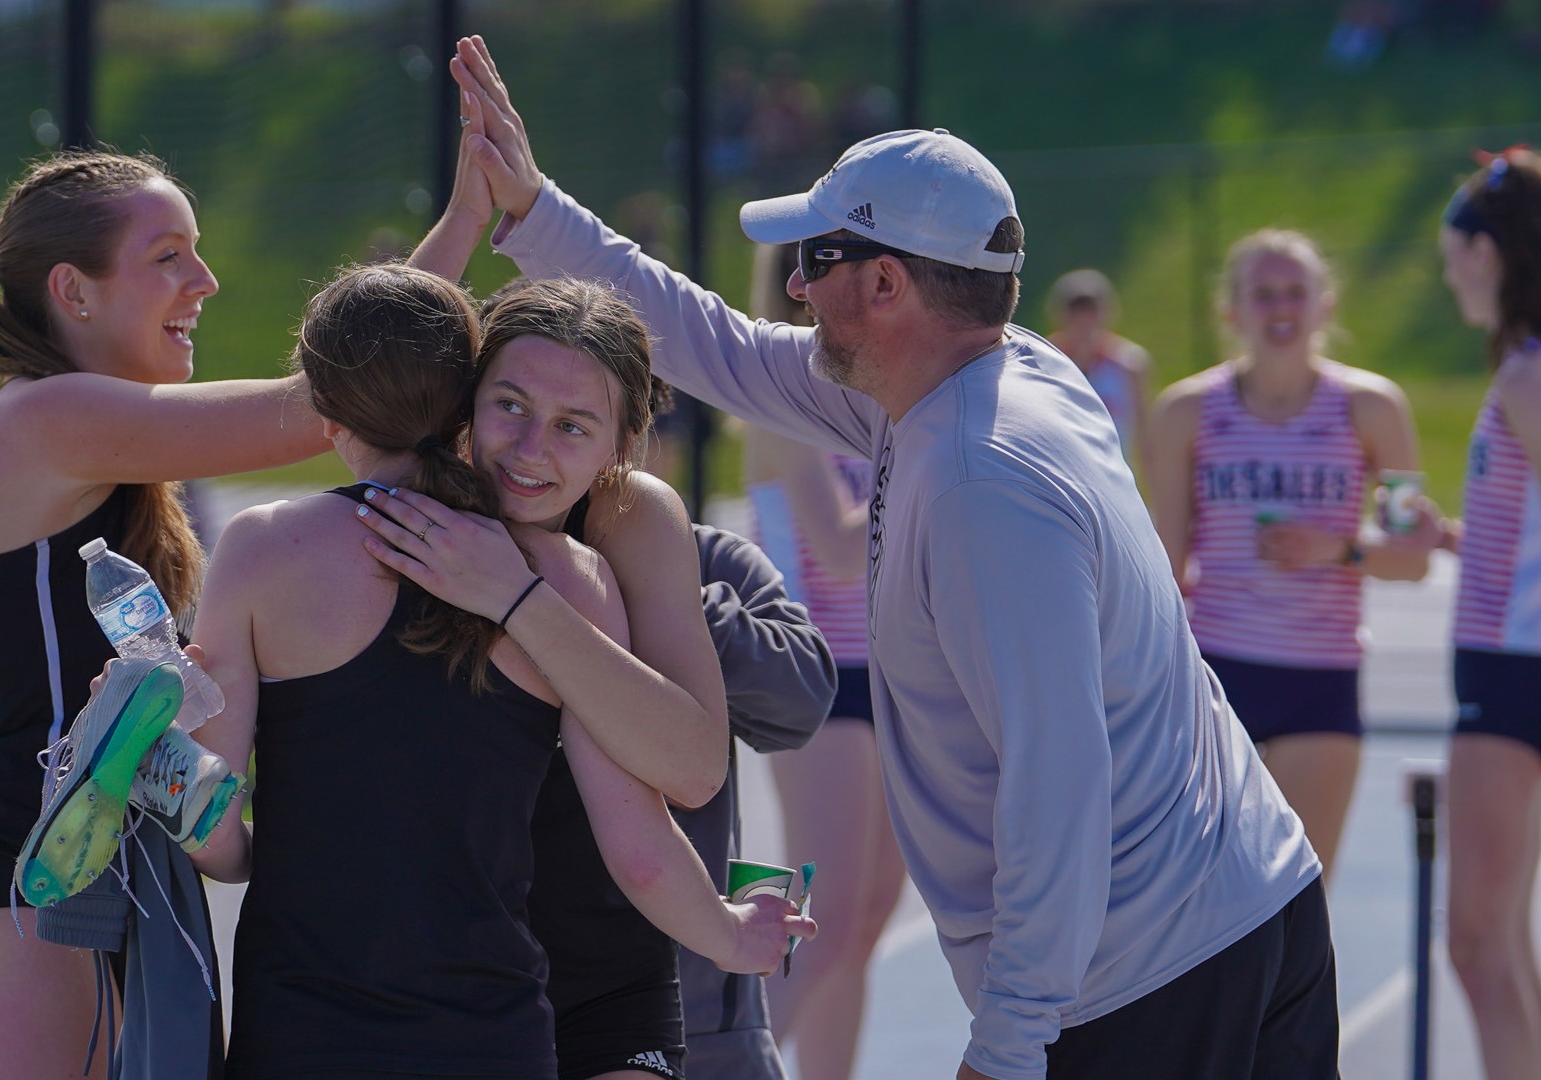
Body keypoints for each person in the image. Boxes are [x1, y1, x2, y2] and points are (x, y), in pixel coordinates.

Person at [448, 35, 1335, 1079]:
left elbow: (1058, 783)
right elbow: (716, 345)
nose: (794, 291)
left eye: (813, 262)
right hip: (1241, 908)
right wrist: (532, 208)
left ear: (884, 285)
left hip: (1149, 978)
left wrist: (1008, 1045)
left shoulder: (979, 484)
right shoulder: (991, 372)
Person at [182, 262, 812, 1077]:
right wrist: (730, 932)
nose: (528, 448)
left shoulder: (268, 547)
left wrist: (515, 598)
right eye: (510, 406)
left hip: (316, 1029)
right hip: (492, 1030)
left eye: (572, 426)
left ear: (622, 450)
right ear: (463, 397)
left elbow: (212, 833)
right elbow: (645, 848)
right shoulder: (577, 576)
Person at [0, 148, 331, 1080]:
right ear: (73, 292)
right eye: (169, 256)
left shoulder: (105, 448)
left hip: (109, 887)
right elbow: (323, 408)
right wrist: (472, 224)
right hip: (14, 898)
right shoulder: (36, 424)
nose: (204, 281)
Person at [1146, 229, 1439, 879]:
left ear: (1325, 305)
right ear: (1232, 311)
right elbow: (1165, 562)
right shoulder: (1186, 413)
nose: (1281, 309)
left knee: (1300, 898)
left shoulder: (1371, 409)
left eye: (1296, 293)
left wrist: (1335, 548)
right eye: (1262, 294)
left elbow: (1412, 558)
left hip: (1320, 678)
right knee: (1207, 900)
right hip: (1216, 675)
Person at [742, 241, 906, 1080]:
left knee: (868, 916)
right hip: (816, 676)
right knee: (824, 915)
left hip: (896, 678)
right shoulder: (782, 401)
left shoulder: (881, 399)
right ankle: (719, 1062)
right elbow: (844, 551)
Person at [1433, 146, 1541, 1080]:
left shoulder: (1527, 376)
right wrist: (1458, 537)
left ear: (1489, 256)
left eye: (1451, 255)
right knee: (1505, 950)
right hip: (1510, 667)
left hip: (1515, 681)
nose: (1447, 277)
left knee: (1479, 945)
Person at [676, 520, 836, 1080]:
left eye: (574, 426)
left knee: (848, 926)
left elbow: (803, 702)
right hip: (506, 1010)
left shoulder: (697, 557)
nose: (539, 449)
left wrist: (661, 599)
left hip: (702, 1017)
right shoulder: (463, 563)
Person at [1043, 268, 1151, 478]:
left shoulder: (1129, 365)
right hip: (1062, 476)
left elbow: (1145, 437)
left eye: (1090, 313)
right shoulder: (1044, 361)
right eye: (1076, 313)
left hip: (1115, 476)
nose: (1083, 323)